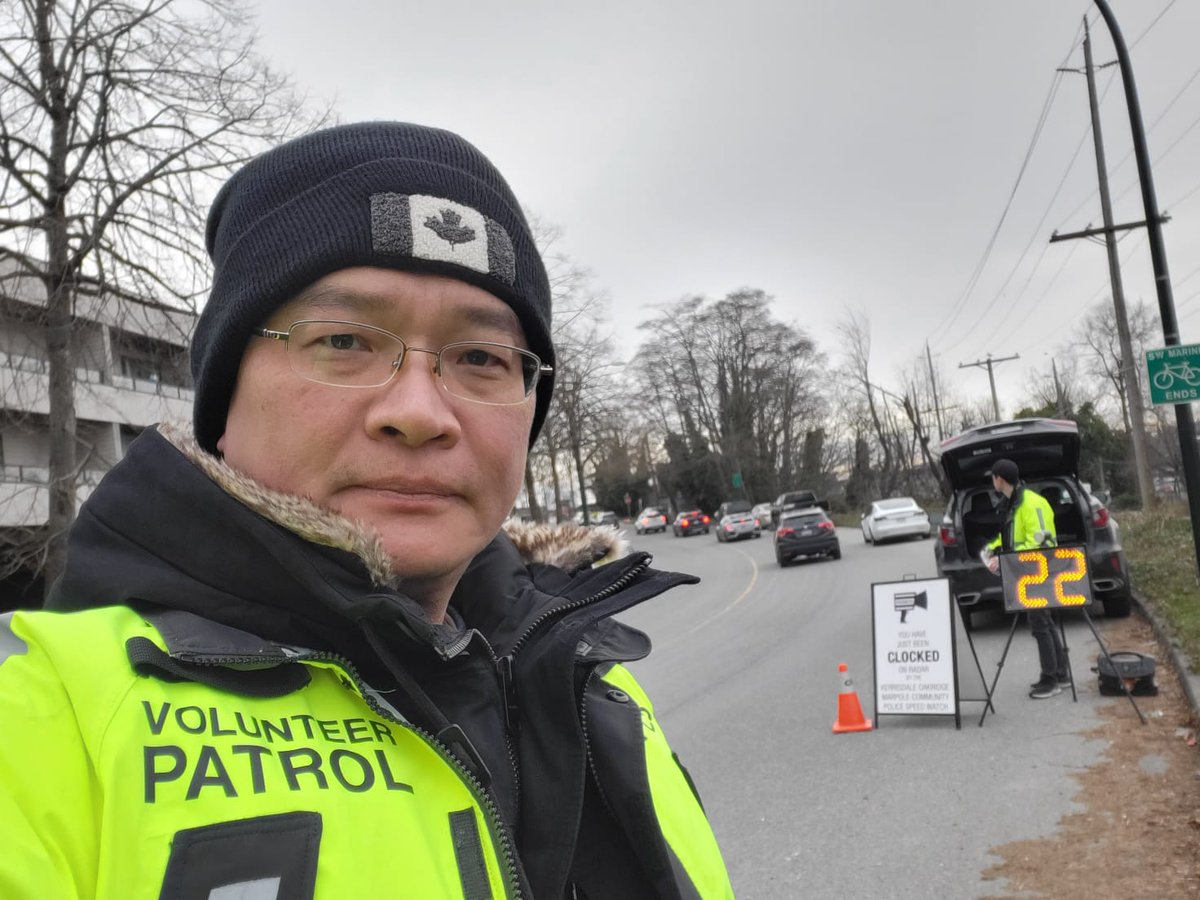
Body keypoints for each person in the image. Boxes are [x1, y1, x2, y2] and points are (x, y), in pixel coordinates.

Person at [0, 123, 733, 899]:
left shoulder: (595, 689)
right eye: (345, 339)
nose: (420, 412)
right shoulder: (45, 718)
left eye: (481, 357)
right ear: (221, 404)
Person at [981, 458, 1070, 700]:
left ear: (999, 479)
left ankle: (1050, 680)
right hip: (1026, 571)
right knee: (1045, 622)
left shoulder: (1031, 503)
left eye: (993, 477)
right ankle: (1060, 673)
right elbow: (1011, 537)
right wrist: (992, 549)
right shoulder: (1014, 503)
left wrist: (1007, 559)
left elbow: (1042, 543)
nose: (992, 481)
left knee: (1040, 625)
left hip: (1039, 571)